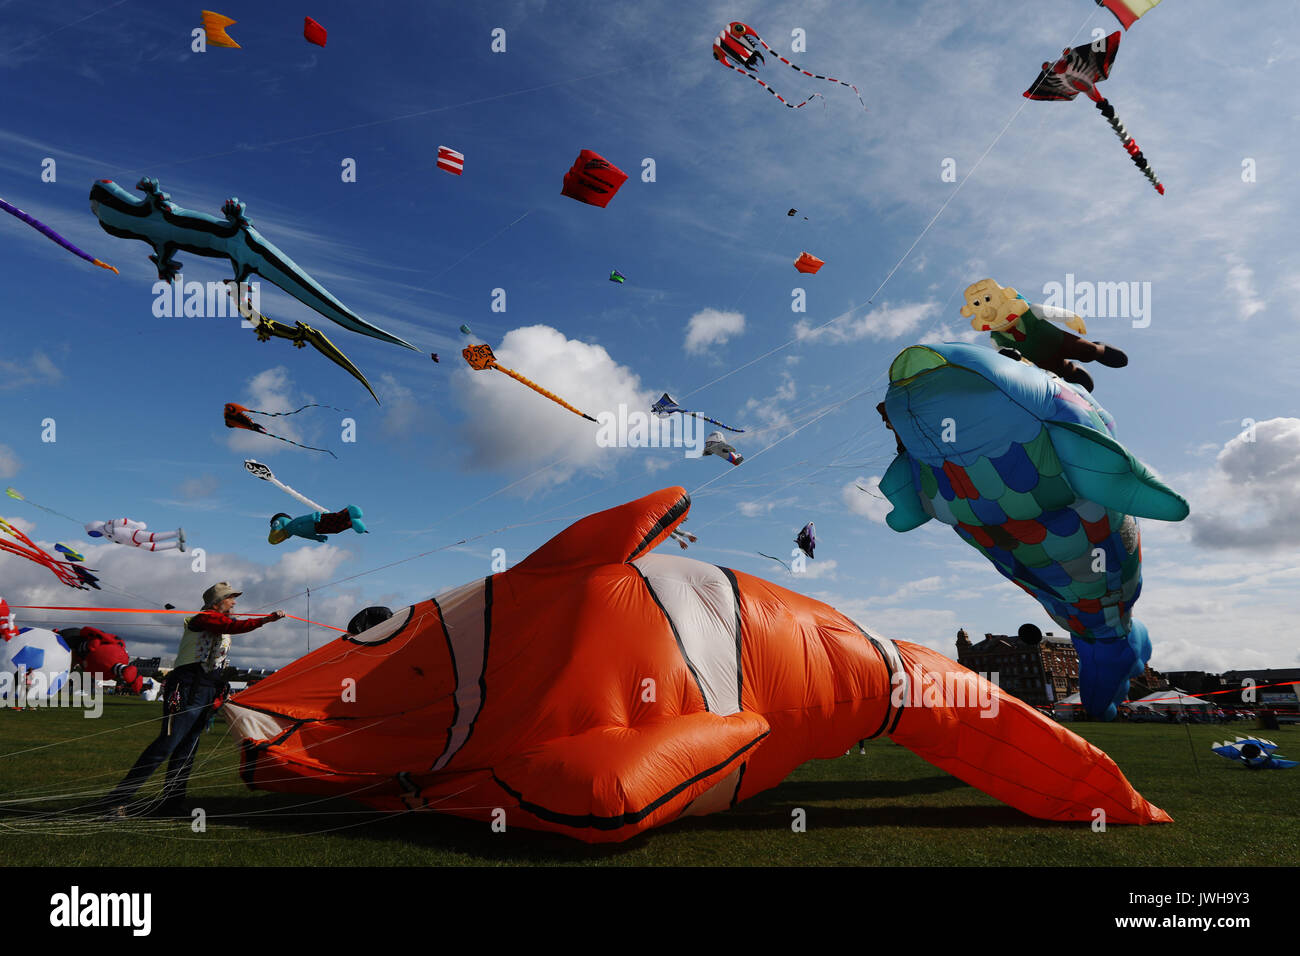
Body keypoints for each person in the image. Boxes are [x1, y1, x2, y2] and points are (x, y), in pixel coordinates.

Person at [98, 582, 284, 818]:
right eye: (230, 598)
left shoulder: (224, 626)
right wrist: (265, 620)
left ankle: (172, 803)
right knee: (166, 744)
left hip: (206, 690)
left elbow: (223, 642)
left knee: (187, 750)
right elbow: (229, 625)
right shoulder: (203, 618)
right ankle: (116, 801)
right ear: (217, 603)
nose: (235, 602)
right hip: (184, 689)